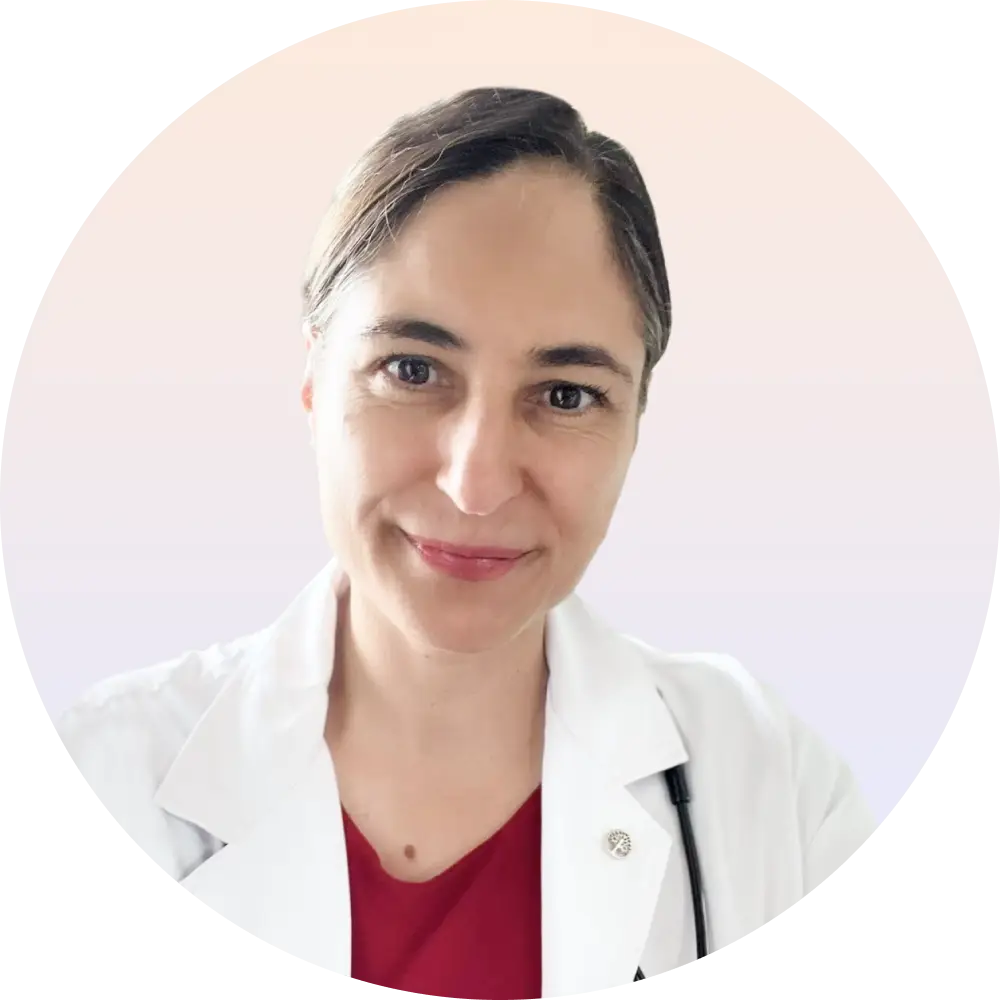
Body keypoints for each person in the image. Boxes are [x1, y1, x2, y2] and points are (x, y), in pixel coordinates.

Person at [51, 88, 877, 996]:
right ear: (315, 392)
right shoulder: (105, 774)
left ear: (636, 426)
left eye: (565, 394)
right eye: (413, 370)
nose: (475, 484)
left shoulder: (770, 790)